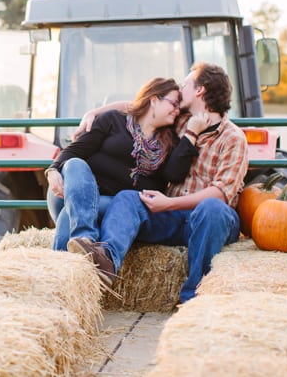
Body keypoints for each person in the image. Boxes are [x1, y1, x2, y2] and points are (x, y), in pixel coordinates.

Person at [72, 62, 249, 303]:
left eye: (186, 84)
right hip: (174, 219)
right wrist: (96, 112)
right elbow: (140, 106)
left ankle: (194, 297)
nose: (180, 89)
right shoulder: (180, 120)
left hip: (211, 221)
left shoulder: (233, 138)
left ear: (200, 90)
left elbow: (220, 194)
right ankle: (106, 261)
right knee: (127, 197)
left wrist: (170, 204)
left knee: (212, 208)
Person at [45, 77, 205, 285]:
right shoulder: (113, 120)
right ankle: (85, 239)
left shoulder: (170, 142)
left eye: (179, 107)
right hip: (74, 191)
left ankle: (60, 279)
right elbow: (75, 151)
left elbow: (174, 174)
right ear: (154, 99)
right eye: (173, 104)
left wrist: (191, 134)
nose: (176, 110)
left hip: (113, 206)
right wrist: (53, 171)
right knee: (75, 164)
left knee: (70, 214)